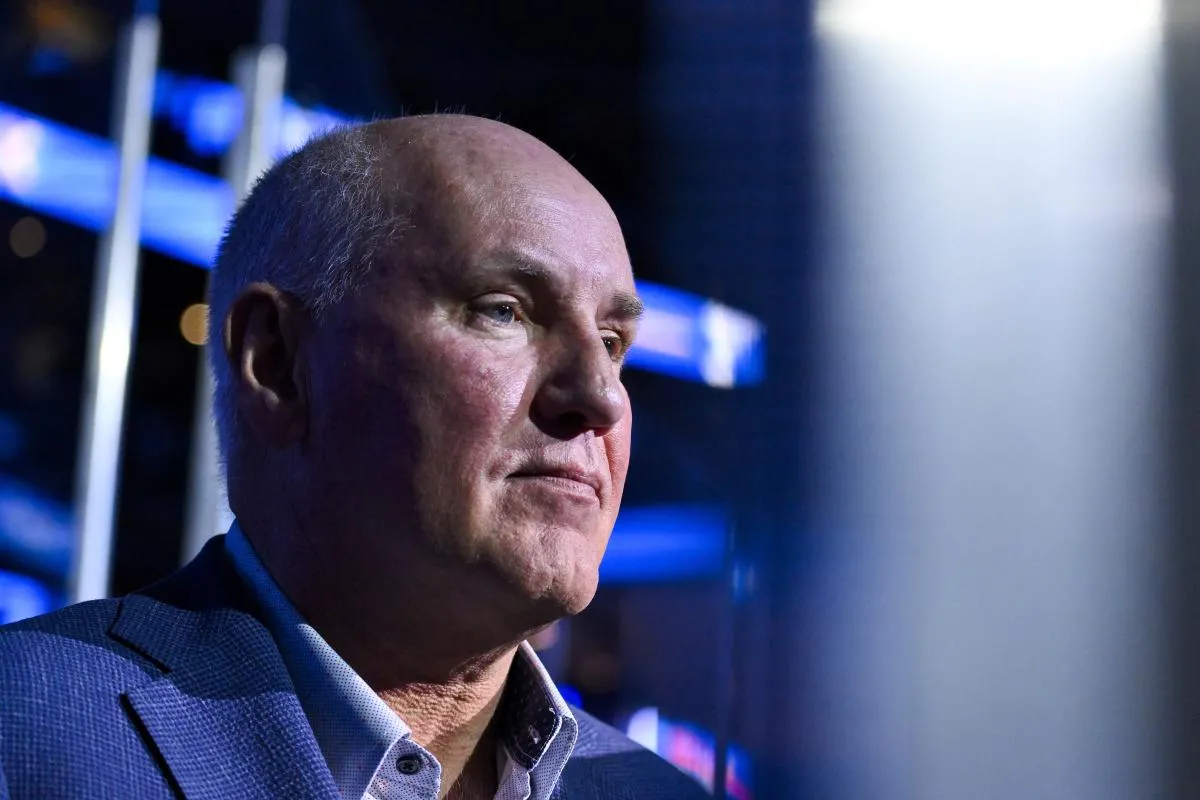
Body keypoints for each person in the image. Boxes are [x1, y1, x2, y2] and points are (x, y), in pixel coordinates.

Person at [0, 116, 709, 799]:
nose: (600, 397)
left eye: (614, 343)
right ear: (277, 362)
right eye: (504, 310)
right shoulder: (24, 733)